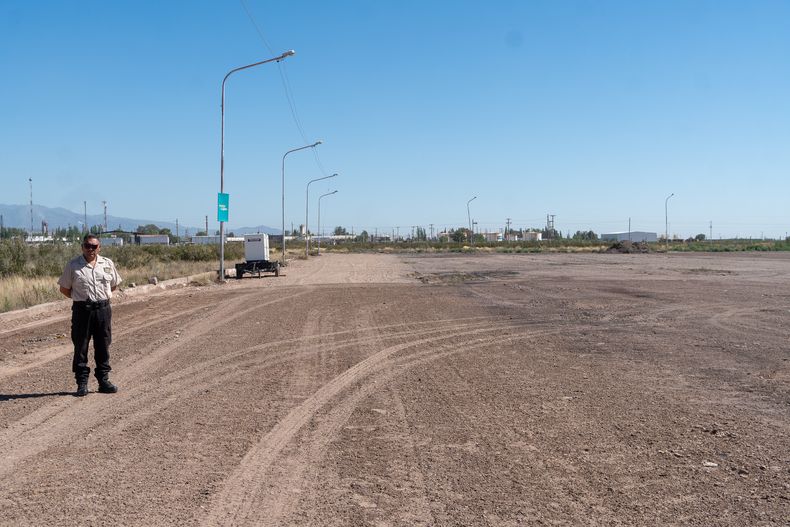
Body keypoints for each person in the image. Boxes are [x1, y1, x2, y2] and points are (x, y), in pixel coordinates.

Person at [58, 234, 122, 397]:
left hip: (103, 310)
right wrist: (81, 300)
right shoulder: (73, 265)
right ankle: (82, 384)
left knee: (103, 345)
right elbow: (64, 289)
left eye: (94, 246)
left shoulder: (107, 264)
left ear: (99, 248)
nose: (91, 249)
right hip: (82, 311)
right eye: (88, 245)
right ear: (82, 247)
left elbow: (113, 285)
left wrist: (100, 298)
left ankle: (103, 381)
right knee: (81, 347)